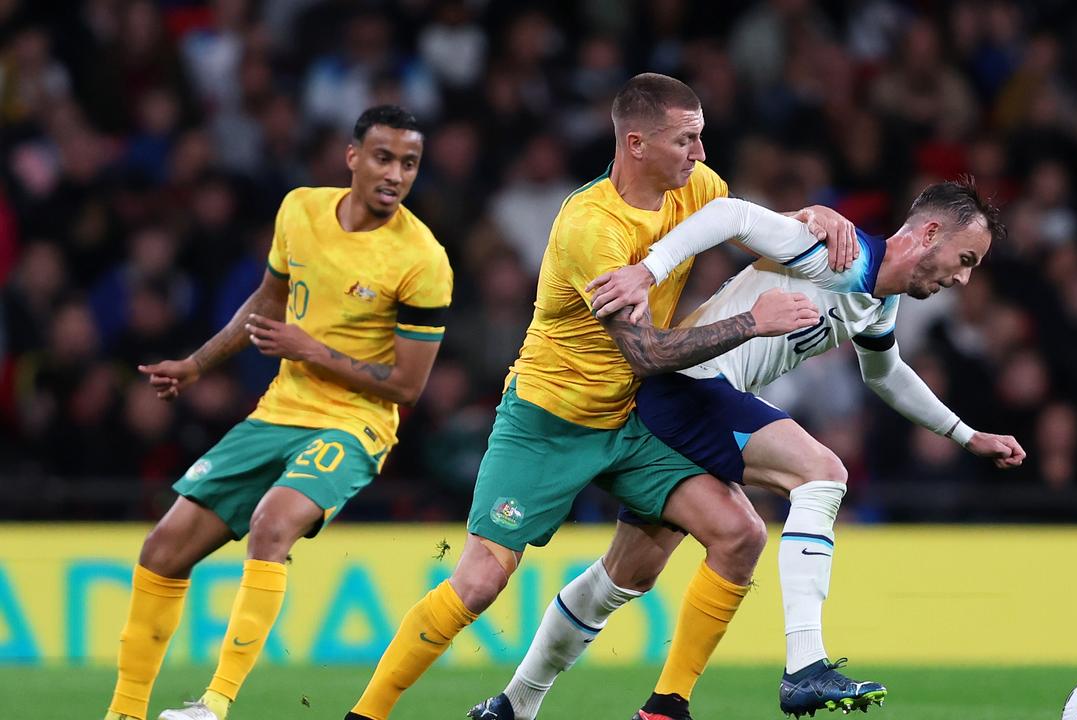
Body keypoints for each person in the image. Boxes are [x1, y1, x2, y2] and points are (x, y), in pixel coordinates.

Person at [343, 72, 855, 720]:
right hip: (548, 421)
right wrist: (754, 322)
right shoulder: (592, 228)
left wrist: (809, 218)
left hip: (633, 418)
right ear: (636, 144)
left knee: (738, 533)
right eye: (685, 140)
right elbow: (641, 351)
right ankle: (366, 715)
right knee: (478, 582)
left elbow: (761, 230)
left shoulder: (697, 189)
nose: (700, 154)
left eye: (701, 138)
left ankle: (664, 708)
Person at [469, 179, 1026, 720]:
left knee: (626, 575)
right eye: (967, 258)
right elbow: (731, 216)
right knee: (822, 474)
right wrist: (648, 270)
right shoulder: (835, 250)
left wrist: (967, 435)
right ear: (930, 233)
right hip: (689, 387)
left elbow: (887, 375)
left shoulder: (877, 304)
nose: (964, 278)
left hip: (698, 404)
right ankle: (805, 665)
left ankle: (520, 703)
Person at [104, 105, 452, 720]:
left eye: (409, 163)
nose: (395, 173)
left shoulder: (423, 261)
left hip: (355, 424)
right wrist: (198, 363)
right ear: (352, 157)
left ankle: (214, 705)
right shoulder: (299, 209)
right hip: (277, 413)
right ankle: (125, 713)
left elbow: (407, 386)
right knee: (163, 549)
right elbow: (266, 302)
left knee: (271, 524)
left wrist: (311, 349)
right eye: (383, 157)